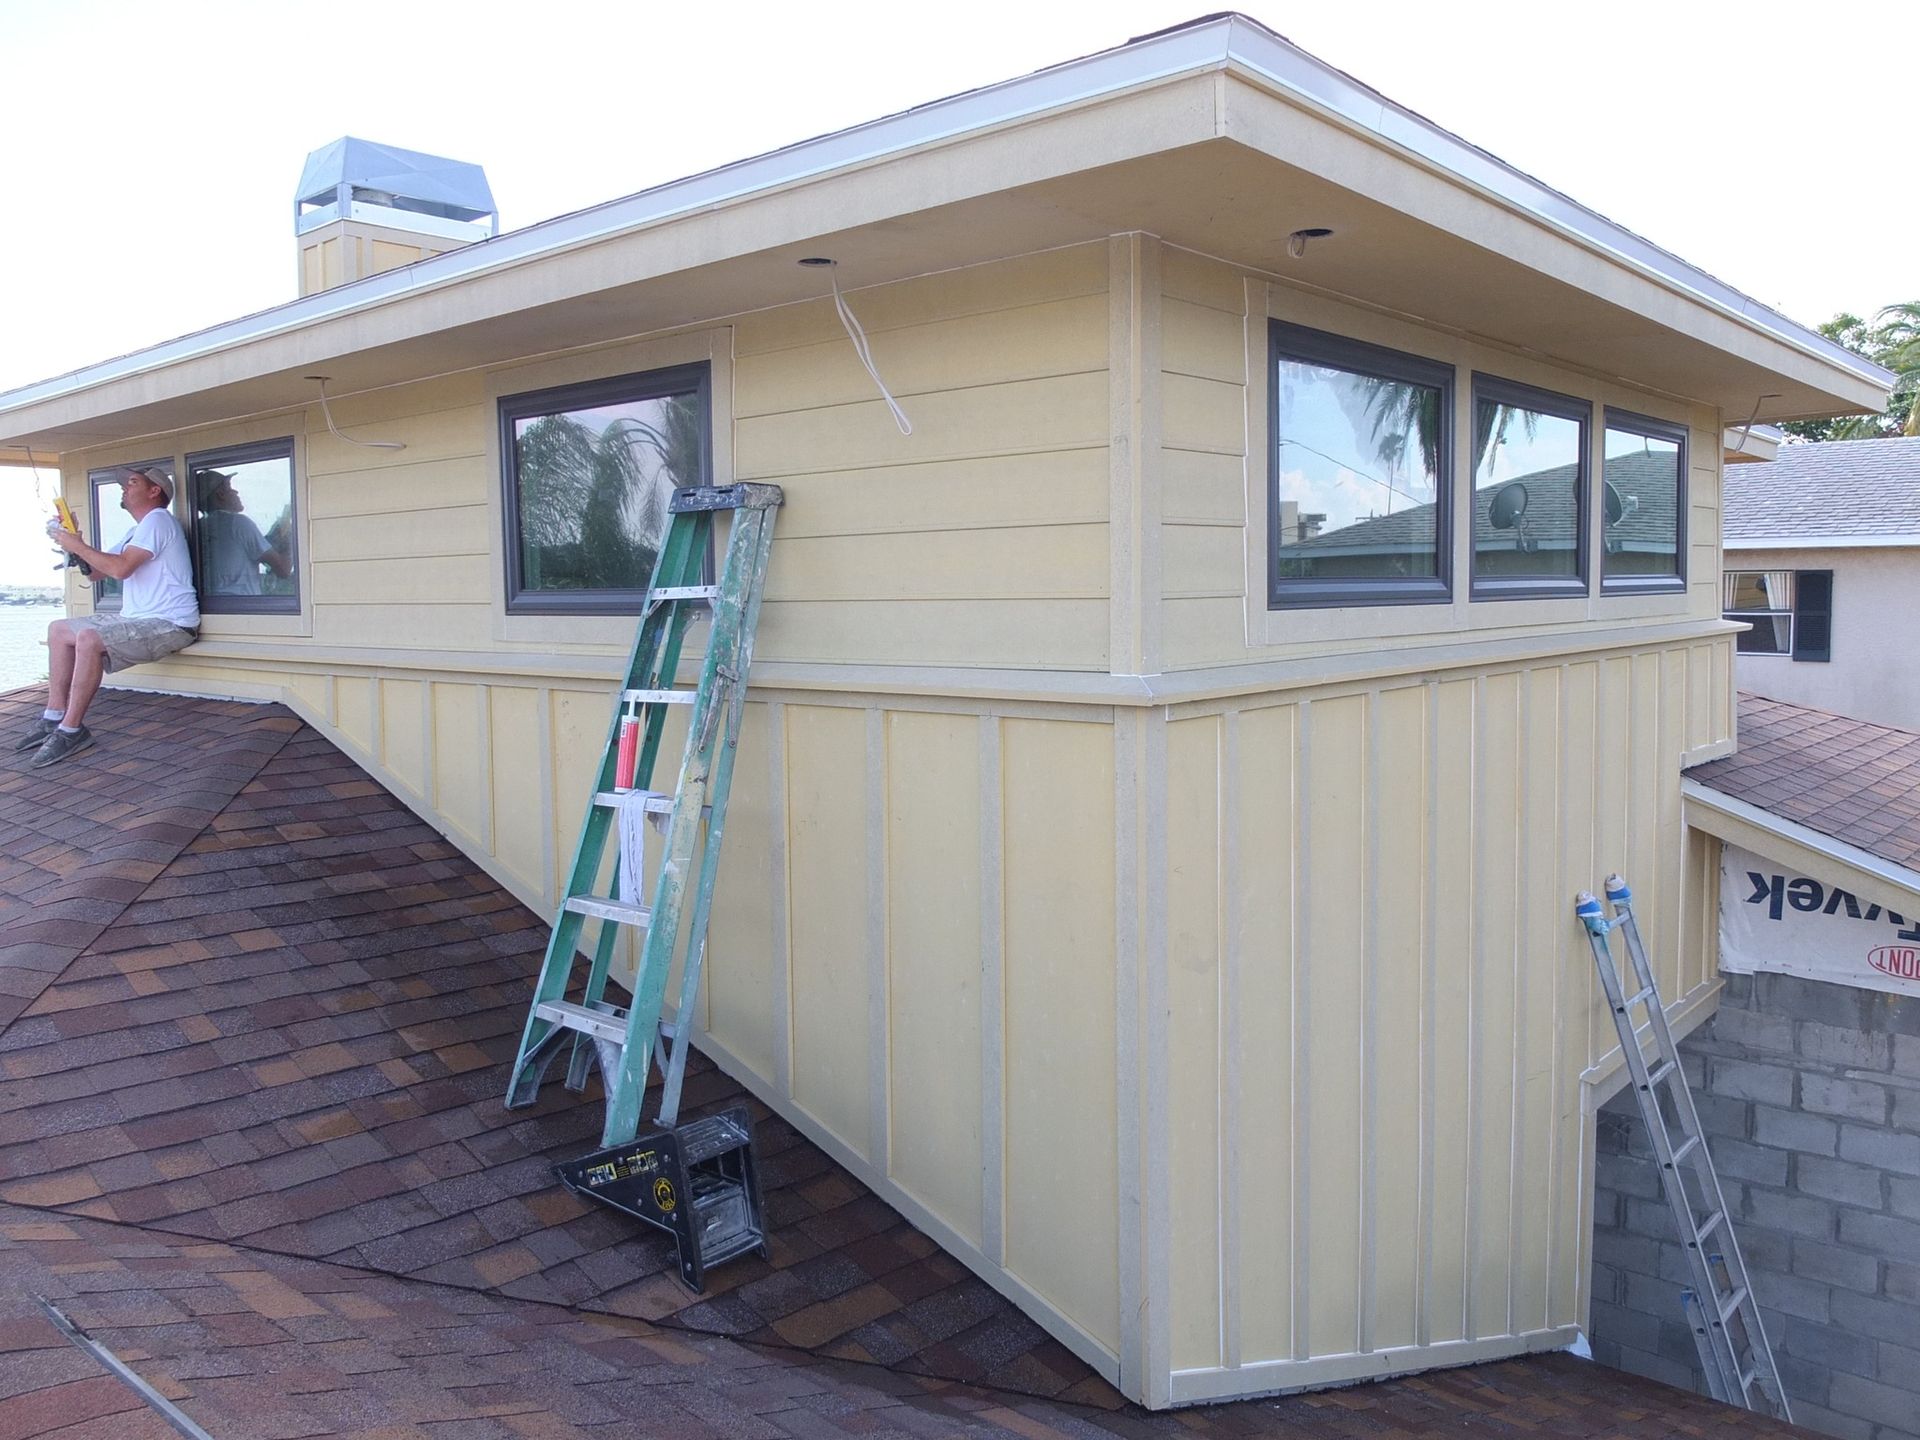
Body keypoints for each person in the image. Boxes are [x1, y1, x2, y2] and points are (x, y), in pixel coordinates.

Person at [21, 467, 200, 767]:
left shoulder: (158, 520)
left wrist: (76, 544)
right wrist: (72, 542)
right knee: (58, 630)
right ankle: (53, 716)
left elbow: (121, 569)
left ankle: (72, 729)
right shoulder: (137, 530)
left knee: (89, 639)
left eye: (132, 483)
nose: (124, 489)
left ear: (154, 491)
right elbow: (96, 572)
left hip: (171, 624)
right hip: (137, 619)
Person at [194, 469, 291, 595]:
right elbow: (284, 570)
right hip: (243, 608)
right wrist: (289, 538)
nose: (236, 491)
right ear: (220, 494)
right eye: (230, 487)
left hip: (214, 608)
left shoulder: (199, 527)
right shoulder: (238, 523)